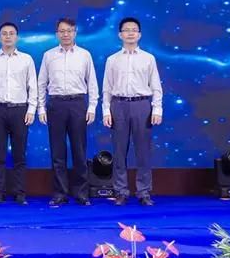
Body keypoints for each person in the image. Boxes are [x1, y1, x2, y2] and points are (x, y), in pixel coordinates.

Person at [102, 17, 164, 206]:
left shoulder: (148, 58)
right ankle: (121, 191)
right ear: (120, 34)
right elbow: (107, 87)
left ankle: (144, 192)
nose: (130, 33)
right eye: (126, 30)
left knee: (143, 151)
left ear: (139, 34)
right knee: (119, 151)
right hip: (118, 105)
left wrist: (157, 108)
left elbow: (156, 86)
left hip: (141, 106)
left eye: (134, 30)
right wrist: (106, 111)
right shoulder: (112, 60)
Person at [38, 18, 99, 206]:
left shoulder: (84, 55)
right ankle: (60, 193)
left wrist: (91, 107)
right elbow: (41, 83)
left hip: (78, 104)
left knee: (79, 151)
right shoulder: (49, 55)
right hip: (56, 104)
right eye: (62, 31)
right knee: (58, 152)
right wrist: (41, 107)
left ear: (75, 32)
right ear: (57, 33)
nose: (66, 34)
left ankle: (81, 193)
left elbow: (92, 83)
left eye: (69, 31)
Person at [0, 22, 38, 205]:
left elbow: (33, 86)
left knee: (20, 154)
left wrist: (31, 109)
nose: (7, 36)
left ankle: (20, 193)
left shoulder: (26, 59)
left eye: (11, 33)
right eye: (4, 33)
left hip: (20, 110)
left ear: (17, 37)